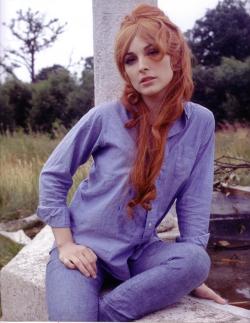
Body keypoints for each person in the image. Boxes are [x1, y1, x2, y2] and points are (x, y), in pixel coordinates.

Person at [37, 4, 227, 322]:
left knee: (196, 260)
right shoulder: (105, 117)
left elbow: (194, 204)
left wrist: (189, 278)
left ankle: (106, 315)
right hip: (85, 250)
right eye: (130, 59)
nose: (142, 67)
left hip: (141, 253)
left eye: (152, 53)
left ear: (176, 58)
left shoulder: (200, 123)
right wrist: (66, 244)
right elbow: (53, 174)